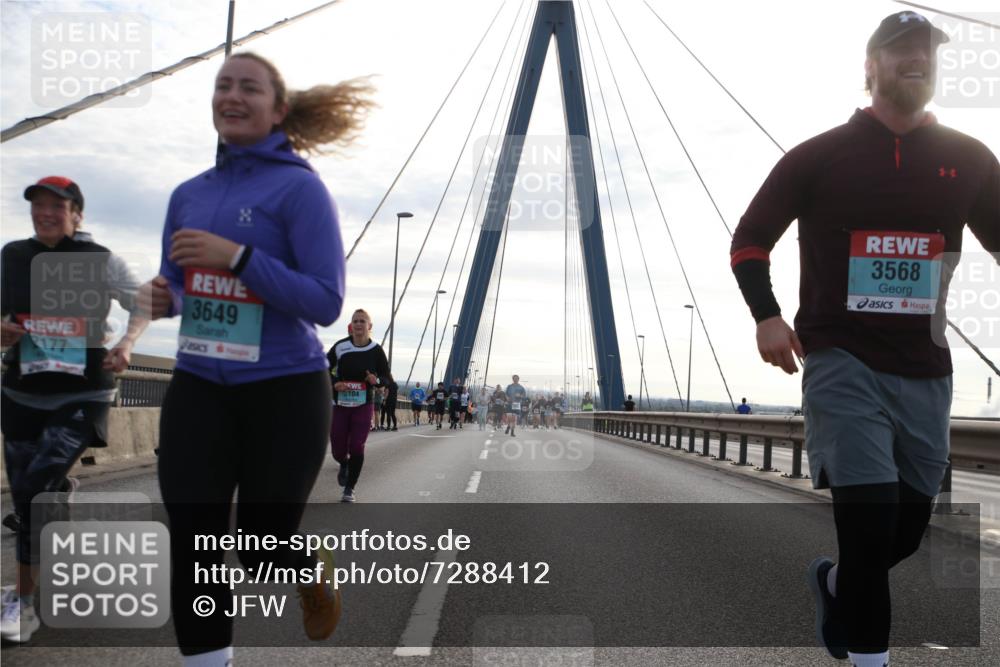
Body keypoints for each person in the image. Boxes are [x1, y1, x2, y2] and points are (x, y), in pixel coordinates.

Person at [730, 12, 998, 667]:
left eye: (927, 51)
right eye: (901, 50)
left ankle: (835, 584)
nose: (917, 59)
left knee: (902, 533)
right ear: (870, 66)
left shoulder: (970, 159)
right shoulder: (819, 156)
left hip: (927, 370)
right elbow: (749, 241)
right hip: (841, 361)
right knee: (870, 526)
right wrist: (767, 315)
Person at [141, 52, 370, 664]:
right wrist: (164, 298)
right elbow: (179, 282)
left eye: (249, 87)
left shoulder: (301, 189)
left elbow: (324, 301)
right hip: (199, 384)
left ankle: (308, 567)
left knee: (261, 548)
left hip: (284, 390)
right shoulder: (188, 194)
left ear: (278, 109)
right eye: (223, 85)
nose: (232, 96)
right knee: (195, 544)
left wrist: (239, 257)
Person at [0, 176, 149, 644]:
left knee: (34, 492)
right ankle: (58, 492)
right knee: (28, 498)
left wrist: (127, 342)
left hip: (82, 393)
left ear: (77, 214)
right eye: (38, 205)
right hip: (22, 391)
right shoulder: (12, 256)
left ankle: (23, 604)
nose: (45, 213)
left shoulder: (100, 259)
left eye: (57, 206)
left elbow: (142, 302)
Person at [328, 309, 390, 504]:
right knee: (337, 448)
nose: (358, 324)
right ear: (351, 325)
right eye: (355, 321)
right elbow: (323, 368)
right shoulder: (341, 347)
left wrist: (376, 380)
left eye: (362, 321)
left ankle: (350, 488)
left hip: (364, 403)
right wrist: (334, 383)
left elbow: (386, 377)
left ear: (369, 326)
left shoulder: (376, 350)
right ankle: (344, 463)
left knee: (357, 445)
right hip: (340, 403)